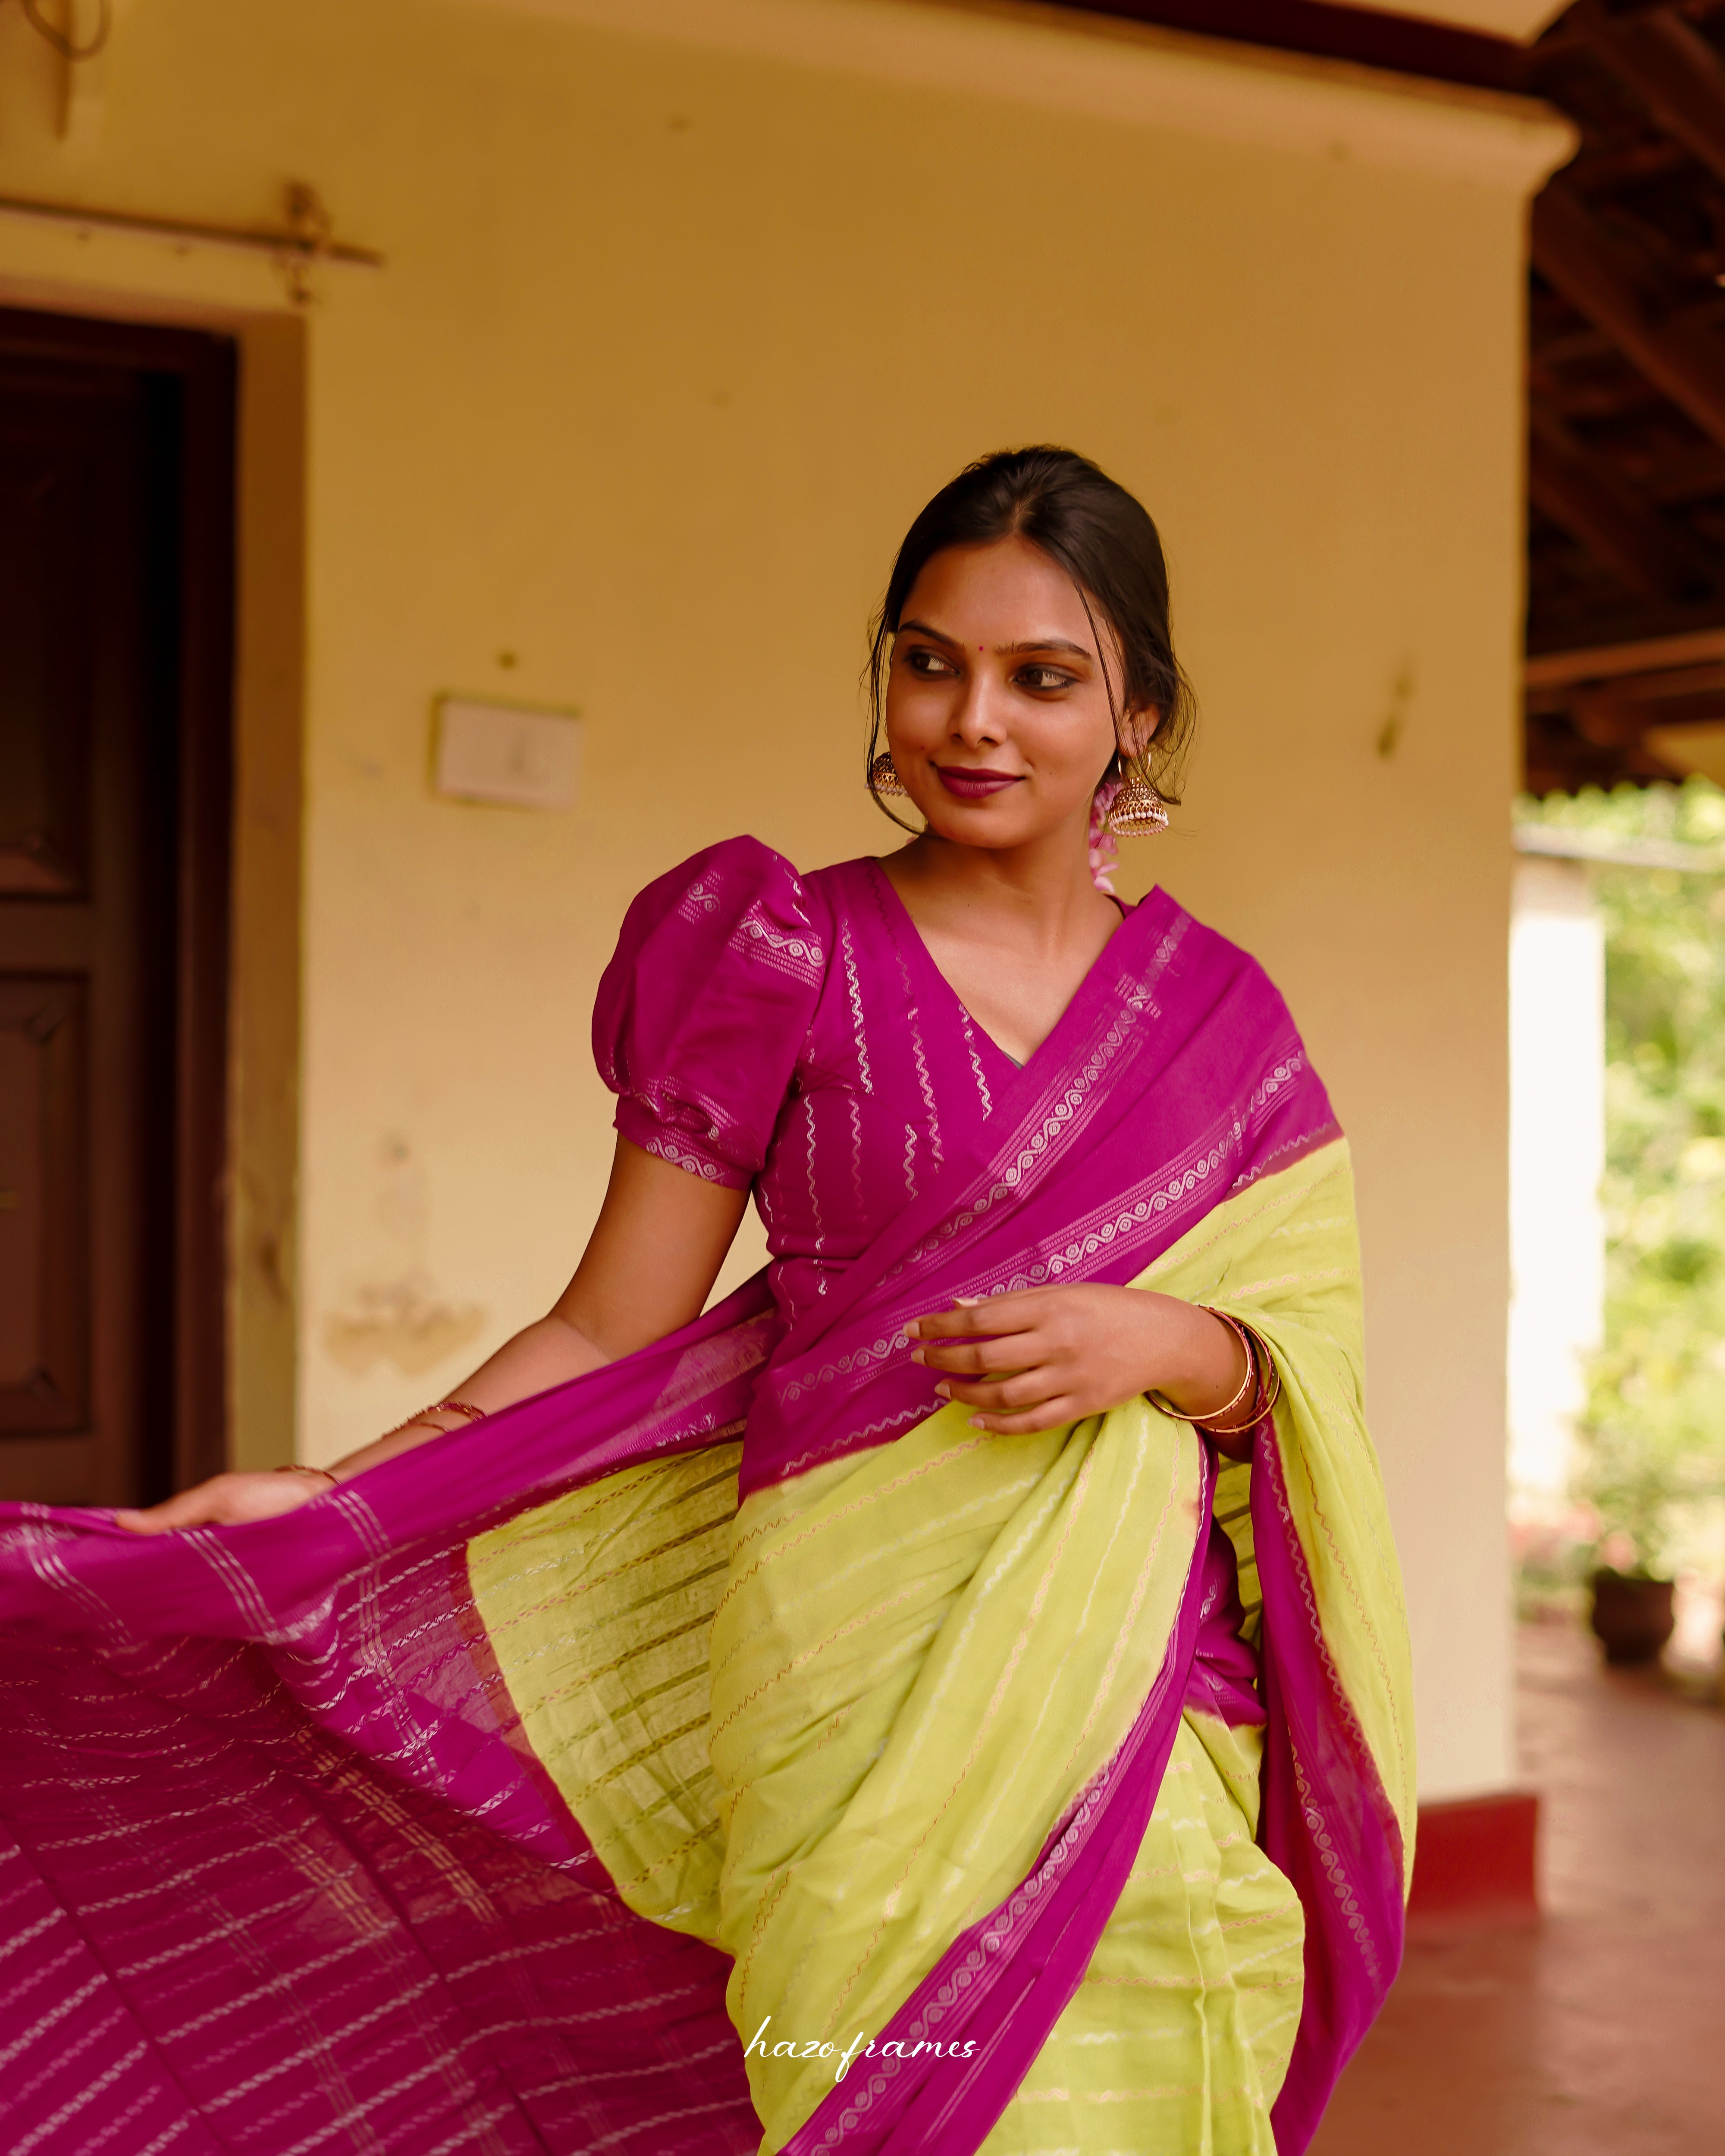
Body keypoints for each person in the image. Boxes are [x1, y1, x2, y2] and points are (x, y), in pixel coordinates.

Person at [0, 448, 1413, 2156]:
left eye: (1042, 677)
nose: (973, 717)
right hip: (841, 1664)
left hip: (1139, 1691)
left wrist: (1176, 1345)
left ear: (1138, 715)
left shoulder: (1222, 1023)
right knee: (875, 2090)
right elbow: (608, 1324)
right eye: (927, 659)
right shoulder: (781, 951)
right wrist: (343, 1497)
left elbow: (1302, 1366)